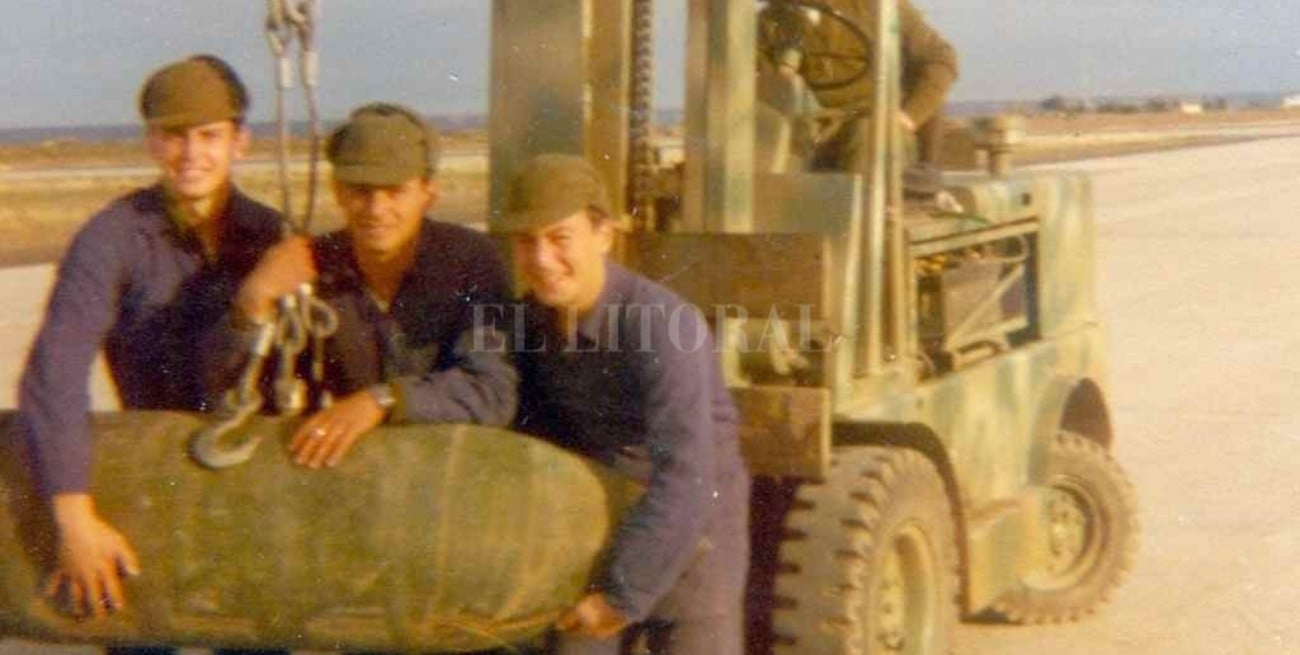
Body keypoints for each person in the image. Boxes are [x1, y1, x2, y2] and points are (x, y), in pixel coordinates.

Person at [17, 55, 284, 655]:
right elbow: (53, 377)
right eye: (174, 135)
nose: (191, 154)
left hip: (245, 489)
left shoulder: (272, 234)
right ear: (151, 141)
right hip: (143, 489)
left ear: (240, 142)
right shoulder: (111, 239)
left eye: (209, 136)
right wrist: (73, 517)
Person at [501, 154, 751, 655]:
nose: (542, 259)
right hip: (595, 534)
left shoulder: (661, 325)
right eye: (527, 241)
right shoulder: (531, 322)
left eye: (559, 238)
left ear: (603, 235)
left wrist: (623, 594)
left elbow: (686, 477)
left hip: (692, 538)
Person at [211, 101, 516, 471]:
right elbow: (225, 399)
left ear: (428, 193)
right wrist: (252, 303)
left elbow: (493, 391)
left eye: (395, 191)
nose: (375, 208)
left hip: (450, 476)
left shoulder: (473, 260)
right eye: (361, 190)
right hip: (351, 480)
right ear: (337, 191)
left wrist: (383, 401)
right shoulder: (308, 267)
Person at [758, 0, 958, 170]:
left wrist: (909, 116)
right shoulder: (772, 20)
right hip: (808, 130)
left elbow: (941, 58)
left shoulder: (879, 8)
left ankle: (861, 213)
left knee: (867, 136)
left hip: (874, 124)